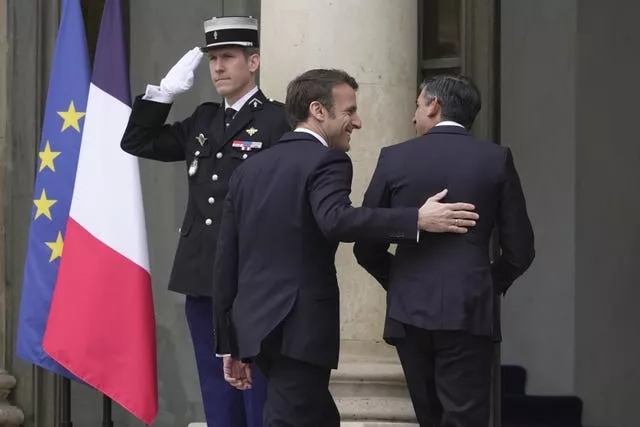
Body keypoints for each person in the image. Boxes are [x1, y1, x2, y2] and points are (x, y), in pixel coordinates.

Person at [211, 68, 481, 427]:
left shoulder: (250, 169)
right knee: (290, 418)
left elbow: (226, 256)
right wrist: (414, 218)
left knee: (318, 416)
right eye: (350, 110)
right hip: (299, 326)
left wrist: (227, 340)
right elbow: (335, 219)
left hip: (256, 327)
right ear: (318, 111)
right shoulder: (328, 160)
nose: (358, 121)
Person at [120, 16, 289, 427]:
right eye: (213, 58)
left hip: (252, 273)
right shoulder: (203, 119)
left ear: (254, 62)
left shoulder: (278, 120)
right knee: (215, 385)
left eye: (228, 57)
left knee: (257, 384)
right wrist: (161, 95)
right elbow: (137, 142)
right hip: (202, 273)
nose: (217, 67)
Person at [353, 74, 535, 427]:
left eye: (417, 105)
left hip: (408, 311)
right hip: (469, 308)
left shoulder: (394, 158)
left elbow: (366, 245)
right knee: (465, 418)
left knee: (428, 418)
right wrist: (484, 284)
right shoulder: (495, 159)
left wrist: (402, 281)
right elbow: (520, 250)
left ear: (434, 105)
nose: (413, 115)